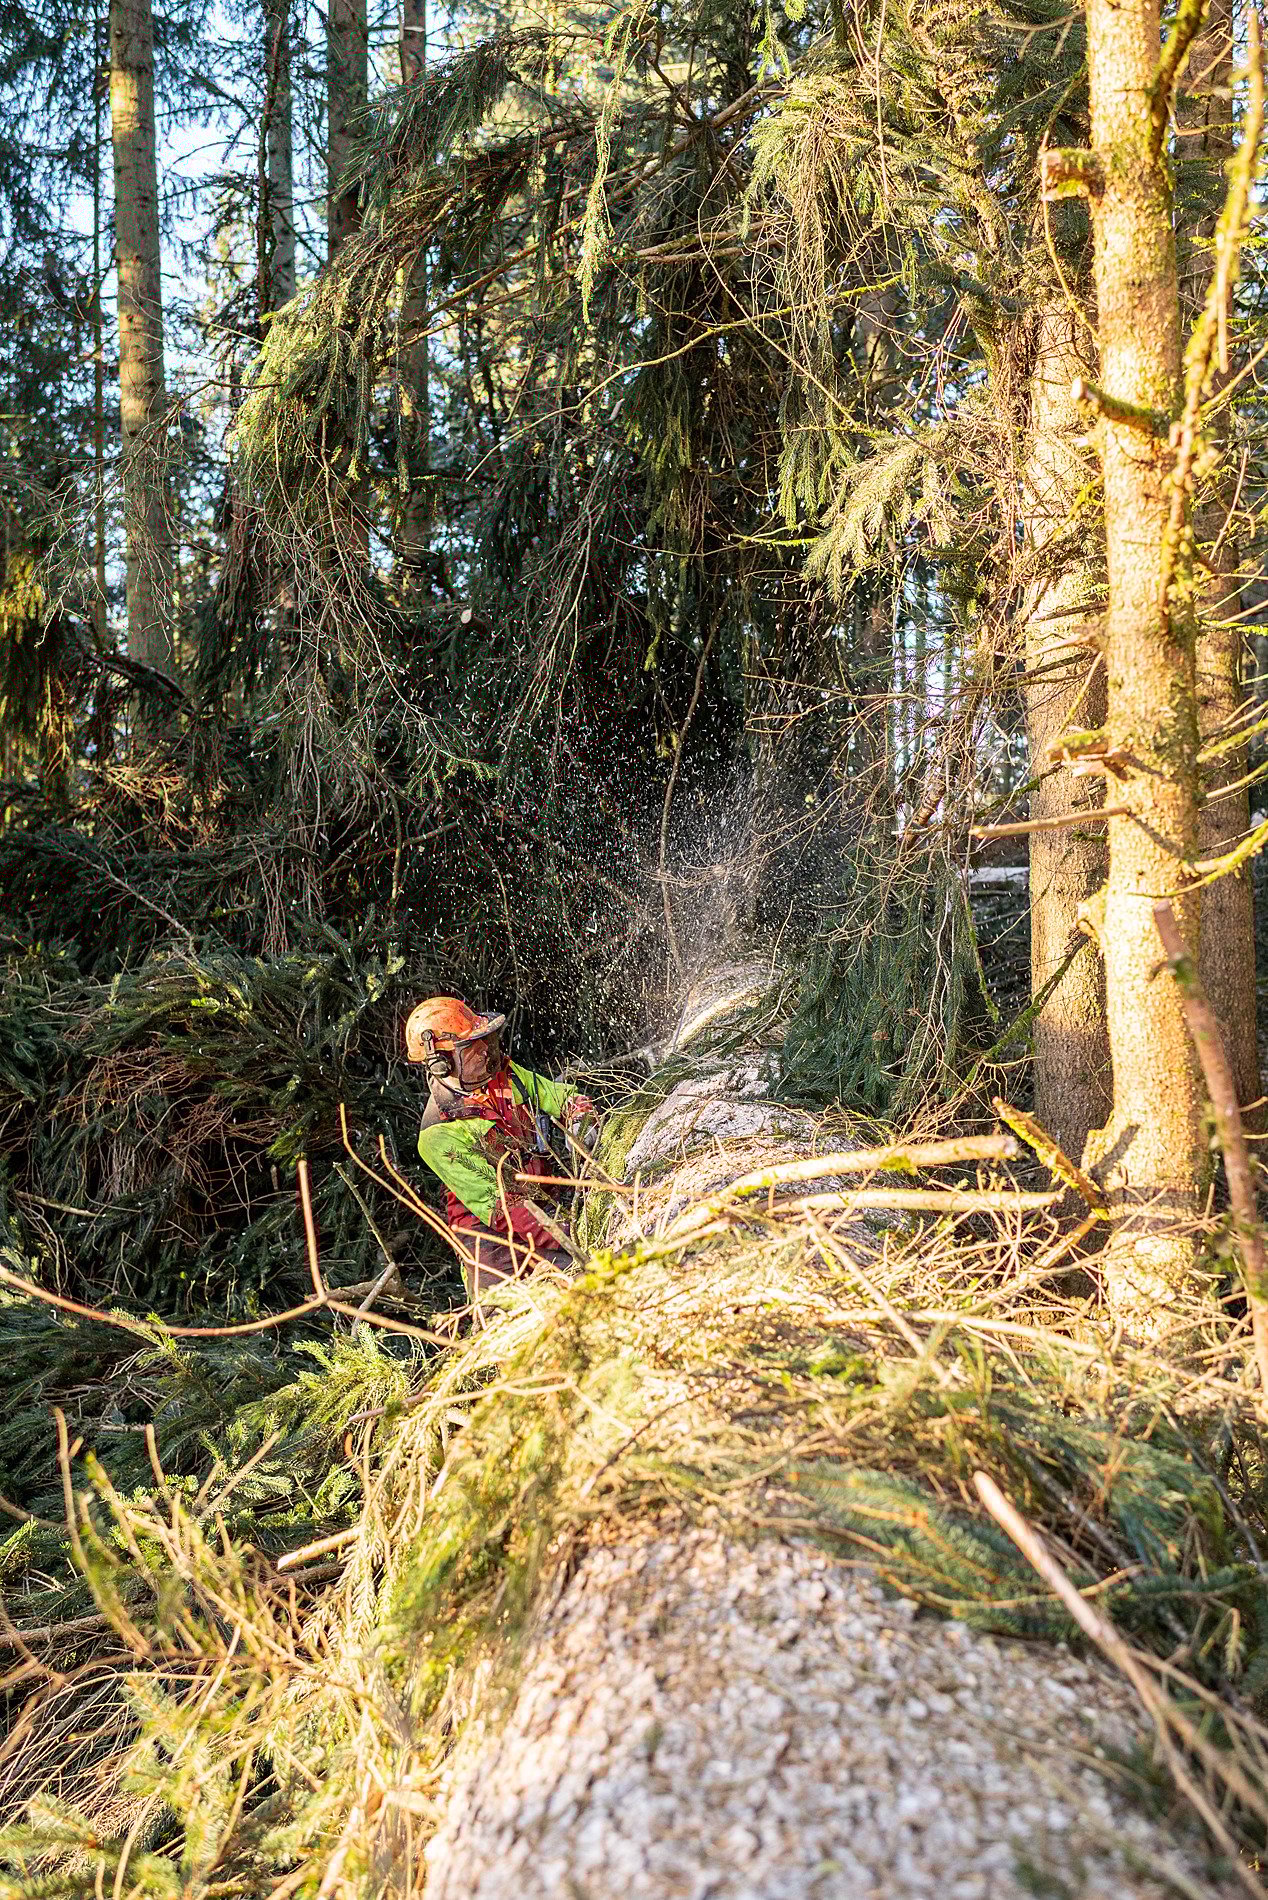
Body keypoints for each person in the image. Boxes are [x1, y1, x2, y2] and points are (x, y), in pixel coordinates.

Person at [405, 995, 596, 1301]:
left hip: (540, 1202)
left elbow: (557, 1096)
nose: (483, 1053)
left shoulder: (502, 1075)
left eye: (484, 1042)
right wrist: (574, 1232)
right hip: (491, 1242)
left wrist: (581, 1118)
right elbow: (507, 1206)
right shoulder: (438, 1135)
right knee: (512, 1312)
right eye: (470, 1049)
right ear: (441, 1063)